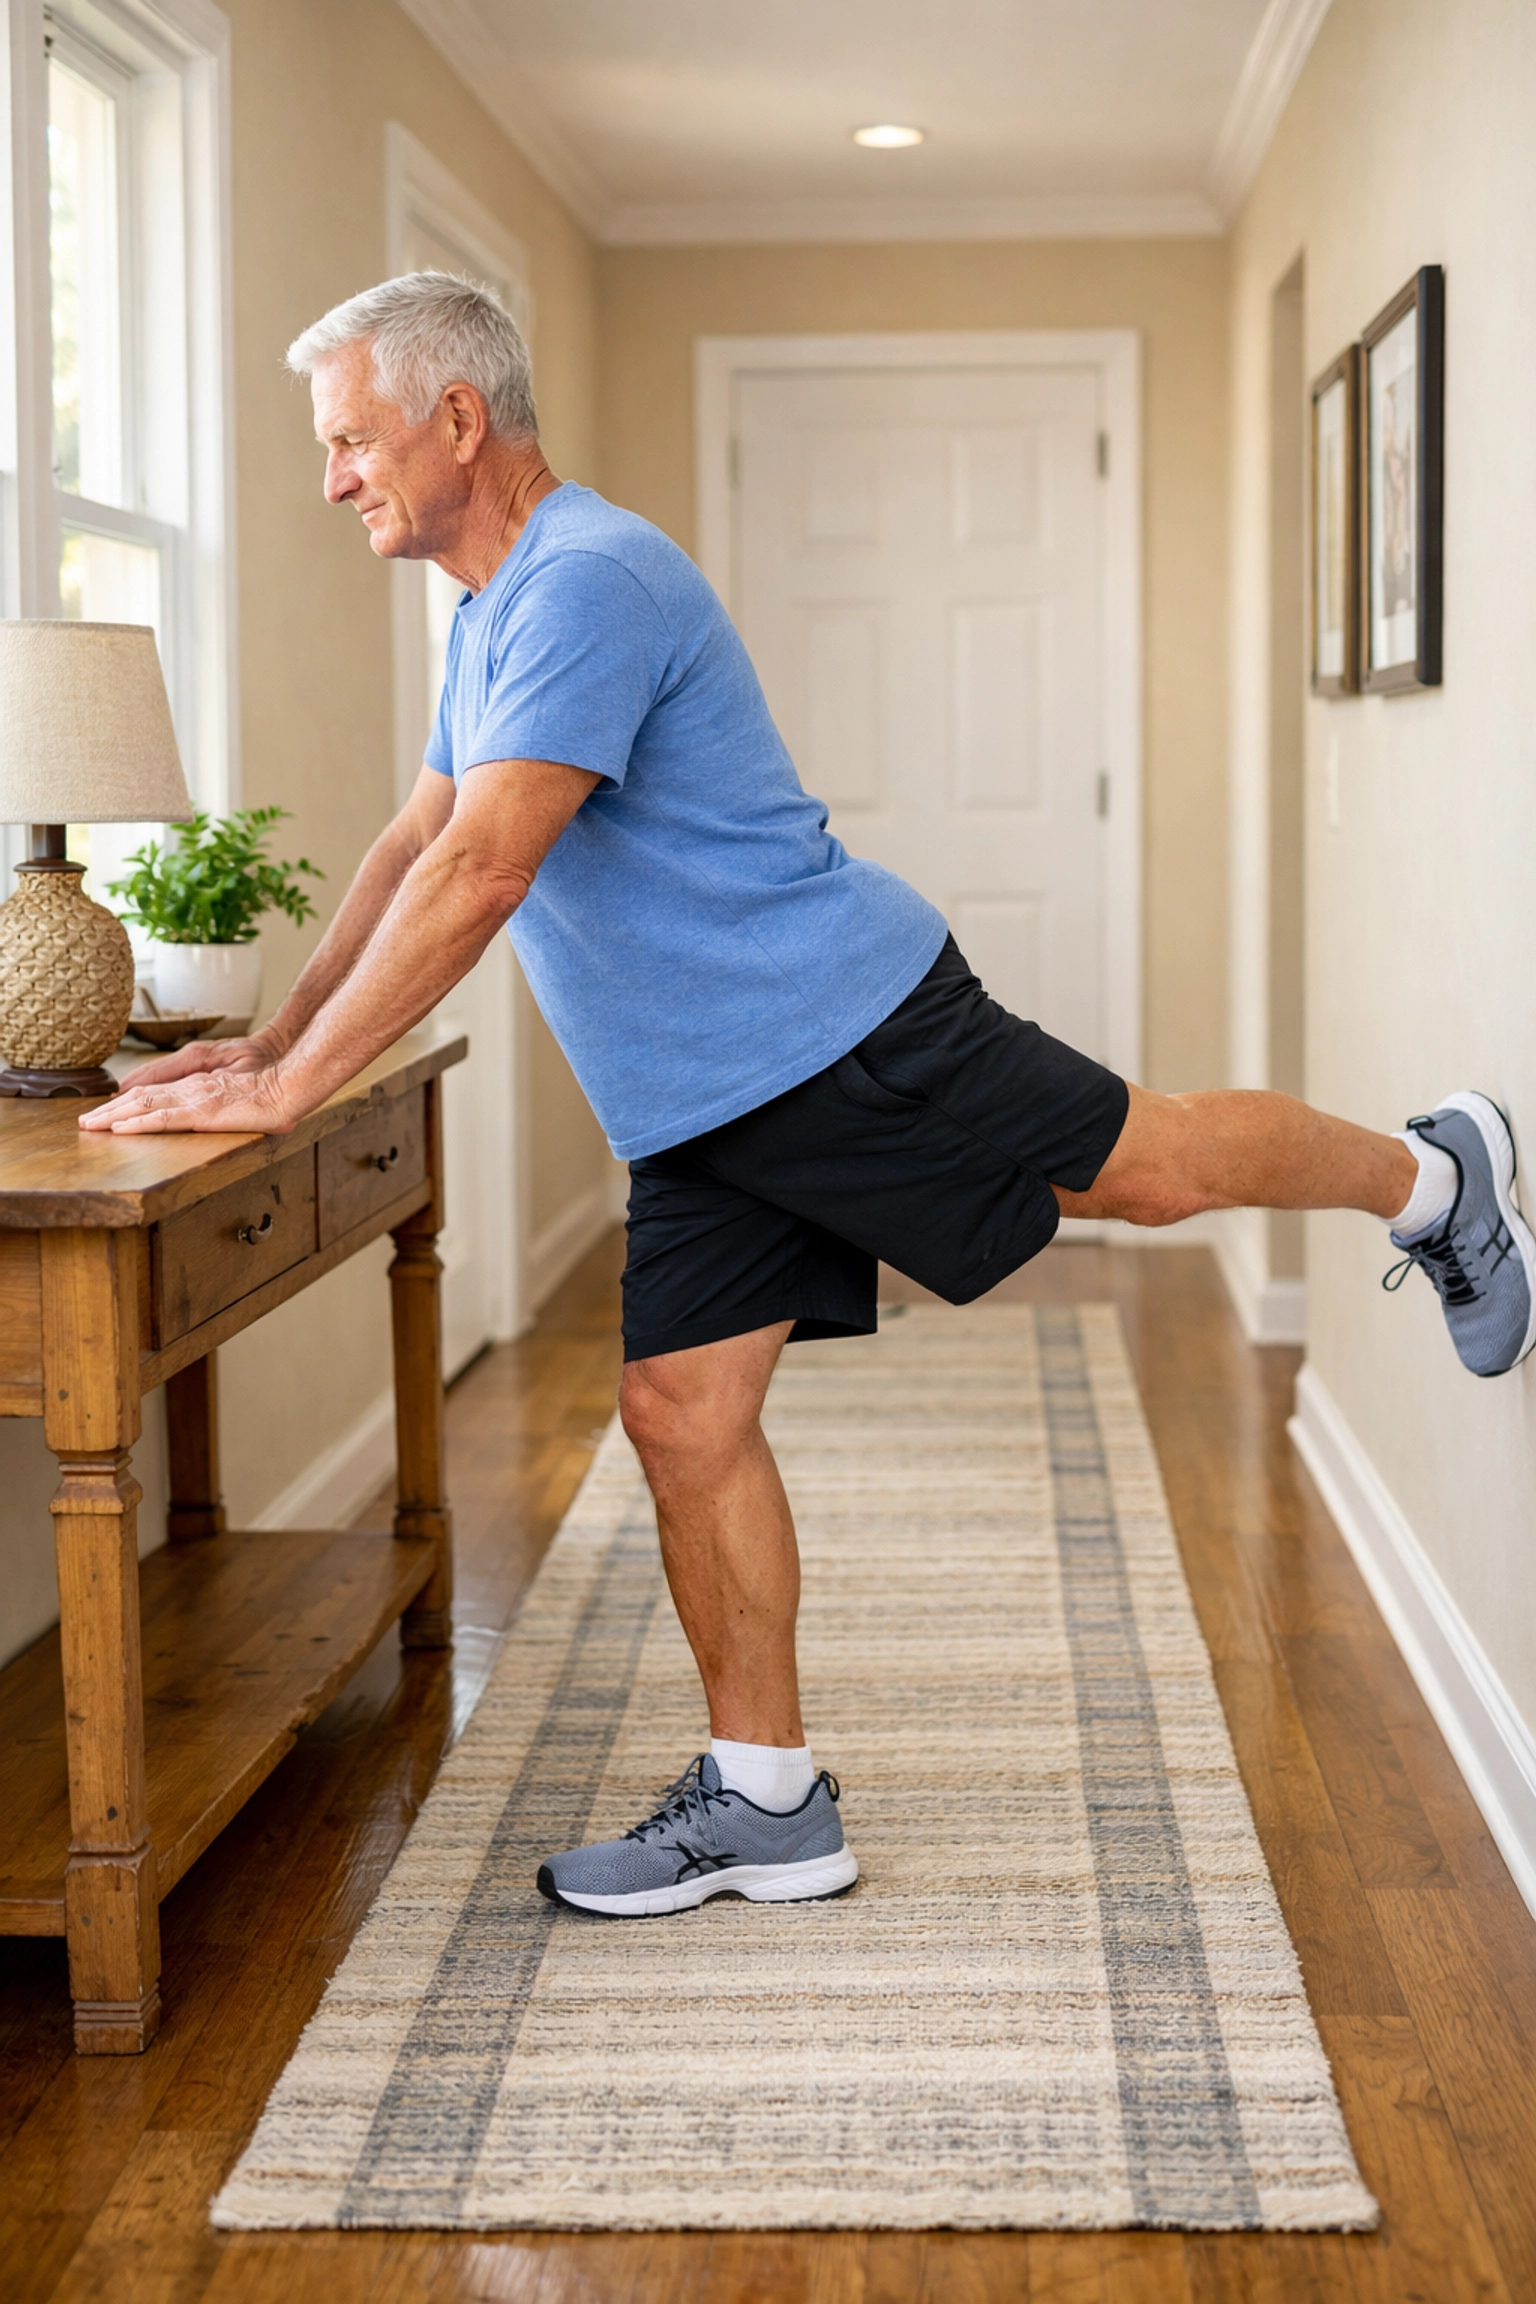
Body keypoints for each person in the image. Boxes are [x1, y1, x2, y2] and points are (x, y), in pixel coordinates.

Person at [82, 274, 1536, 1921]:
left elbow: (490, 871)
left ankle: (1436, 1180)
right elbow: (415, 842)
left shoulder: (588, 582)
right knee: (679, 1415)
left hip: (844, 1031)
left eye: (352, 441)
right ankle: (768, 1801)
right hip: (704, 1101)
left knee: (1154, 1171)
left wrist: (287, 1096)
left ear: (458, 421)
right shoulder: (490, 611)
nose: (334, 477)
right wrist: (270, 1038)